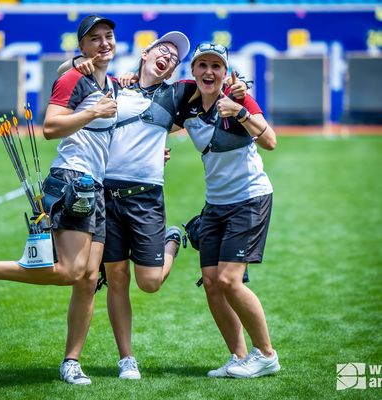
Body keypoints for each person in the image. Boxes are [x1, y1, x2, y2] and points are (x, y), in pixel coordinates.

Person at [0, 15, 118, 386]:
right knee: (72, 271)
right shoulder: (75, 79)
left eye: (109, 36)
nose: (104, 43)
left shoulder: (109, 82)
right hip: (74, 180)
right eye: (95, 38)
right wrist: (92, 110)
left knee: (88, 280)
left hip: (96, 187)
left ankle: (71, 362)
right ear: (82, 46)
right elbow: (49, 127)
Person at [71, 33, 248, 380]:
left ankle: (170, 241)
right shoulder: (115, 86)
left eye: (174, 57)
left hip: (146, 199)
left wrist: (241, 91)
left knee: (149, 282)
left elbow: (214, 76)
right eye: (162, 51)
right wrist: (79, 63)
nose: (167, 57)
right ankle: (126, 358)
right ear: (145, 54)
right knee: (117, 278)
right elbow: (72, 74)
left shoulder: (178, 92)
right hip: (107, 196)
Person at [175, 42, 280, 378]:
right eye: (202, 65)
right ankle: (238, 356)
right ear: (193, 71)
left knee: (229, 280)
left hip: (249, 199)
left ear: (225, 71)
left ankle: (266, 354)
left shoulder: (239, 98)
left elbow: (271, 141)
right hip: (215, 204)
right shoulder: (185, 101)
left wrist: (242, 112)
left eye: (216, 66)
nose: (209, 72)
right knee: (211, 282)